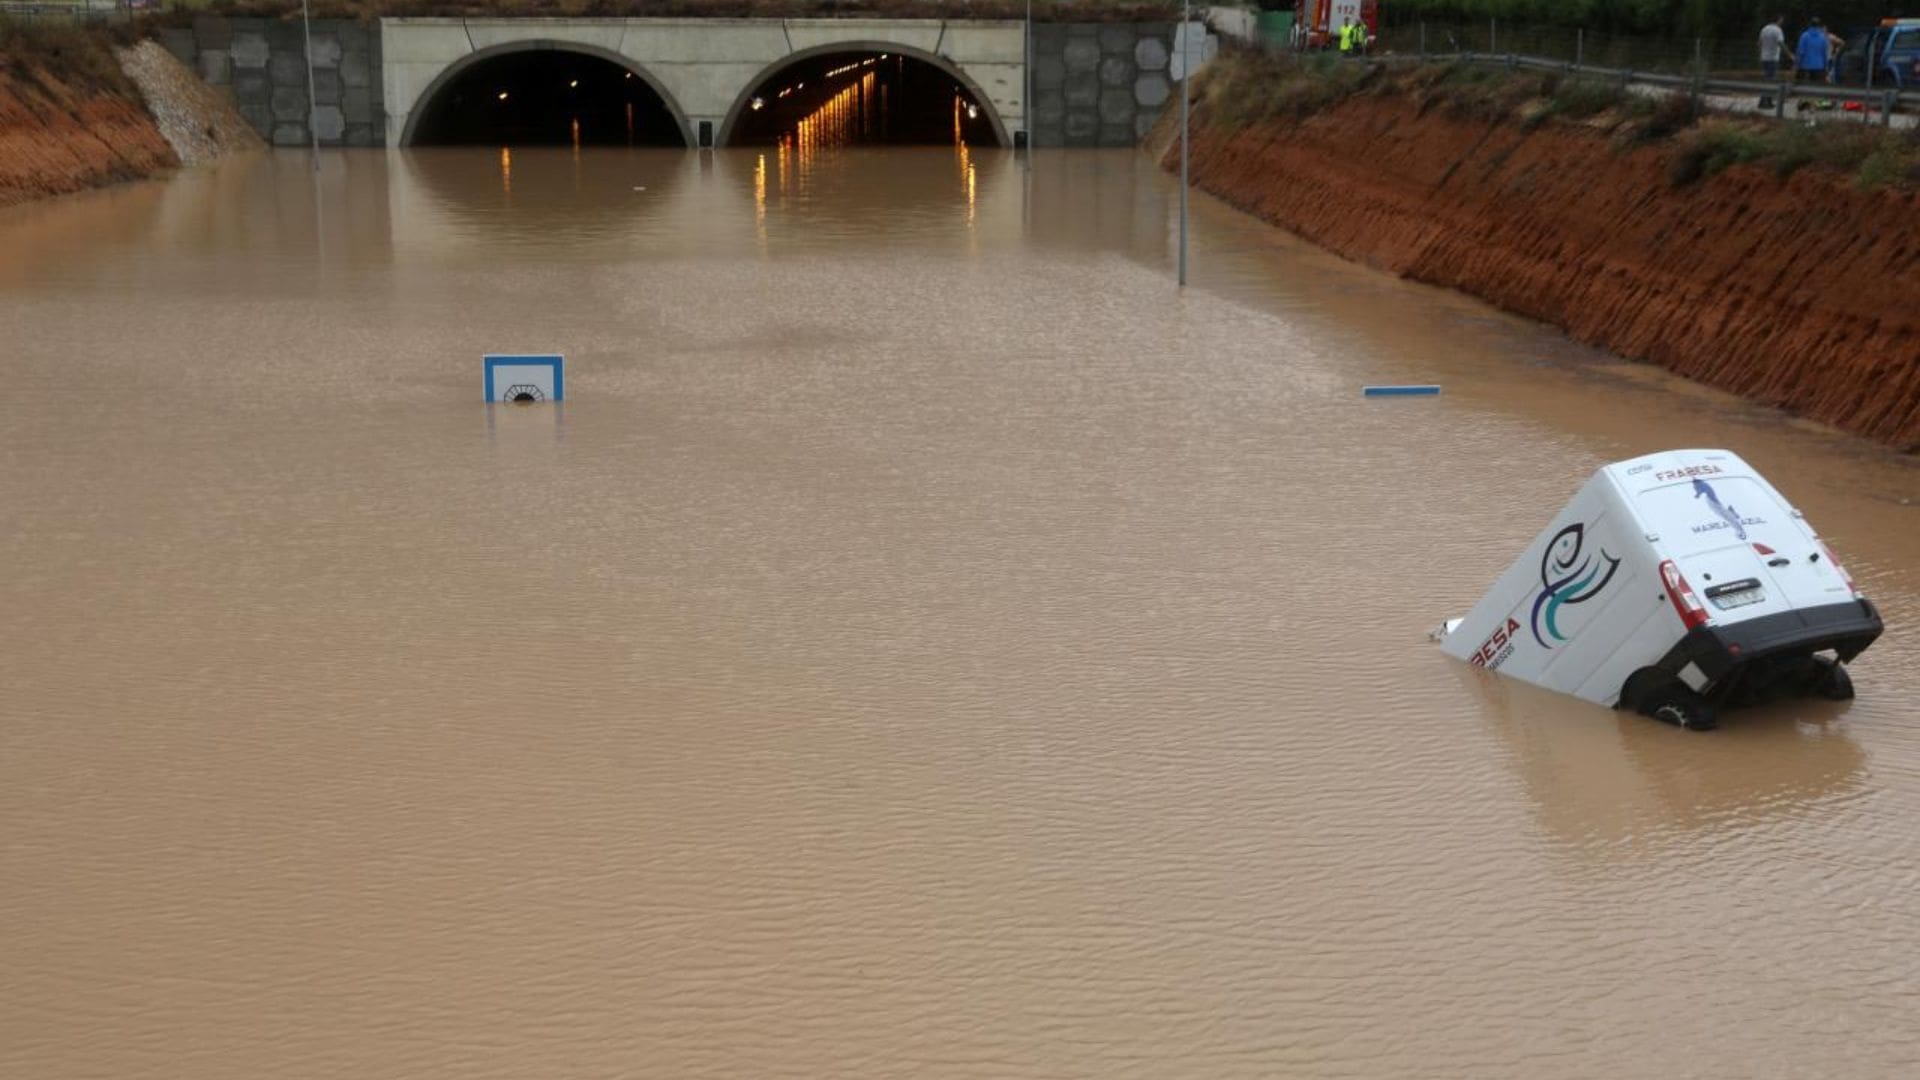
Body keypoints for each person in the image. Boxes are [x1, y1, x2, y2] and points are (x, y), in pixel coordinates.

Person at [1796, 18, 1830, 83]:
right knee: (1816, 89)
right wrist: (1826, 68)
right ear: (1819, 26)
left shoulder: (1804, 36)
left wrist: (1797, 65)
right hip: (1819, 67)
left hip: (1805, 67)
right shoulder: (1823, 37)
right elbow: (1825, 54)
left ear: (1809, 25)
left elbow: (1800, 52)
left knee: (1804, 89)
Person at [1758, 15, 1786, 81]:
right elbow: (1781, 43)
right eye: (1781, 21)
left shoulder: (1764, 29)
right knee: (1772, 78)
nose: (1782, 22)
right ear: (1778, 20)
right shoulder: (1778, 30)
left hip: (1764, 57)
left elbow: (1759, 43)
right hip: (1773, 58)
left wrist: (1760, 55)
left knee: (1766, 77)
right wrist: (1789, 54)